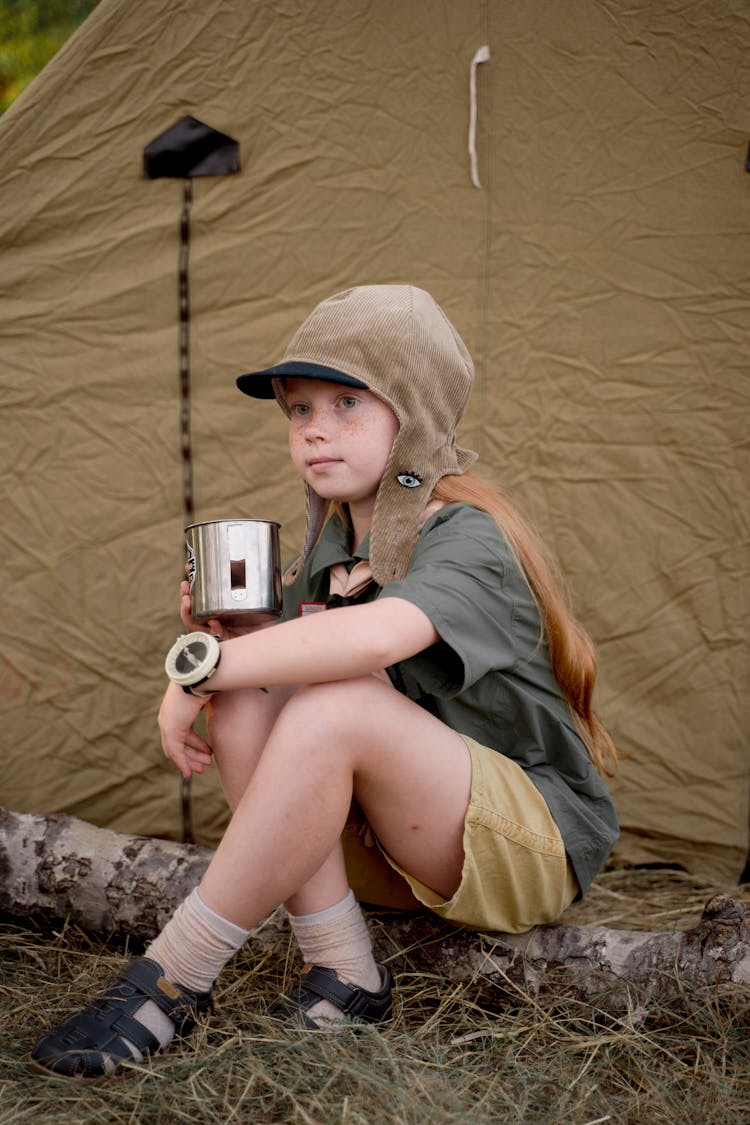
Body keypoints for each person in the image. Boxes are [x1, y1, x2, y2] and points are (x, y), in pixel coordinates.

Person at [31, 284, 619, 1080]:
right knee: (249, 697)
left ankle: (173, 974)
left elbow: (378, 637)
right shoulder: (334, 549)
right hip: (407, 844)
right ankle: (347, 972)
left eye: (347, 403)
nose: (315, 430)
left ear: (410, 415)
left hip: (527, 842)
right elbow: (276, 665)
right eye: (299, 409)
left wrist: (198, 672)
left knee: (332, 704)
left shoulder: (466, 534)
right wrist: (225, 648)